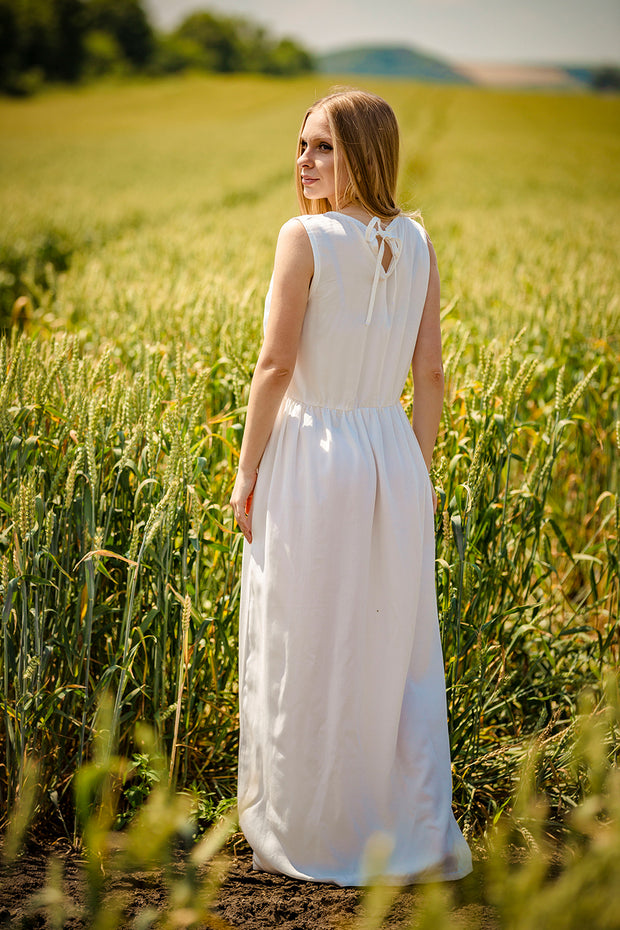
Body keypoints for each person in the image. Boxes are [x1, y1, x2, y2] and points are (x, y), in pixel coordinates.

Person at [230, 89, 472, 886]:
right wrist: (421, 470)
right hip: (392, 454)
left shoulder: (303, 237)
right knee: (388, 648)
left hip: (312, 452)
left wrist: (245, 472)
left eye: (324, 147)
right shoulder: (419, 241)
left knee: (306, 641)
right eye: (302, 145)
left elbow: (274, 367)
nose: (304, 163)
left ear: (365, 153)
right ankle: (395, 824)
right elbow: (430, 372)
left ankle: (314, 826)